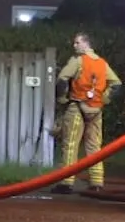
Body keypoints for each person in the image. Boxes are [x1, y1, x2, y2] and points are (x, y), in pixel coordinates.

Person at [52, 31, 121, 193]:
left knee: (70, 145)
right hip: (96, 110)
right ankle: (97, 182)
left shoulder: (77, 61)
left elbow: (62, 80)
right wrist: (104, 99)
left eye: (77, 42)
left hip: (77, 106)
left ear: (86, 44)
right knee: (94, 147)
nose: (74, 46)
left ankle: (66, 182)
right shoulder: (102, 63)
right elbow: (116, 84)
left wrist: (62, 100)